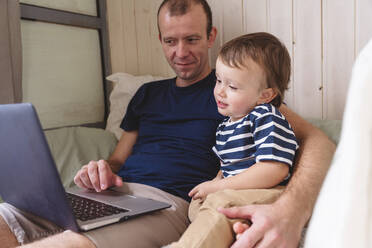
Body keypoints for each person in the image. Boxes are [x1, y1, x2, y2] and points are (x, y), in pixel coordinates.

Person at [0, 0, 336, 248]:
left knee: (68, 244)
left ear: (210, 36)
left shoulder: (241, 95)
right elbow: (117, 160)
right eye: (170, 41)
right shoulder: (147, 94)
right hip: (109, 196)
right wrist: (99, 170)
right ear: (159, 39)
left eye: (191, 39)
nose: (180, 52)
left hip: (167, 204)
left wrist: (292, 210)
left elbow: (318, 142)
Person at [168, 32, 299, 248]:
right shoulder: (226, 127)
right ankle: (234, 232)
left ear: (265, 95)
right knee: (197, 204)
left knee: (220, 203)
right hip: (239, 191)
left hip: (271, 191)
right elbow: (227, 168)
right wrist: (215, 183)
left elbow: (274, 170)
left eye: (232, 87)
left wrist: (220, 188)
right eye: (218, 80)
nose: (220, 91)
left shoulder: (265, 116)